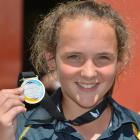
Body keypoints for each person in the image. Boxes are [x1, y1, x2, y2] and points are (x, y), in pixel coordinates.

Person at [0, 0, 140, 140]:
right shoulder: (17, 129)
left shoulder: (135, 130)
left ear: (119, 62)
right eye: (74, 57)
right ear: (51, 60)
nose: (89, 73)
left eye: (103, 57)